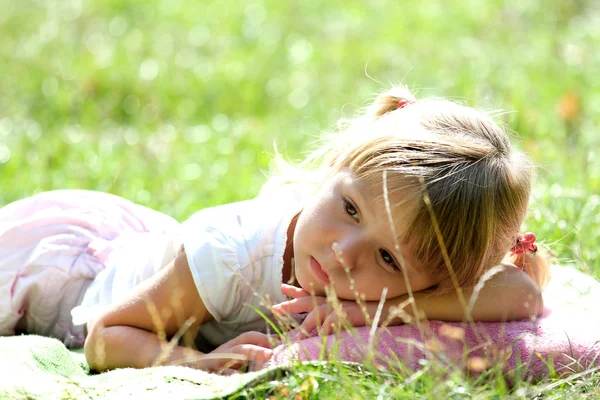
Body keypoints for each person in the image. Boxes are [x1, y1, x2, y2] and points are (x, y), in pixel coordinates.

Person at [0, 86, 550, 374]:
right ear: (336, 168)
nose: (341, 253)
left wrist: (370, 312)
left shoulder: (388, 285)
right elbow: (104, 339)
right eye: (351, 209)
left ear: (427, 279)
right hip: (59, 276)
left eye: (388, 259)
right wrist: (196, 364)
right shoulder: (234, 256)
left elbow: (521, 296)